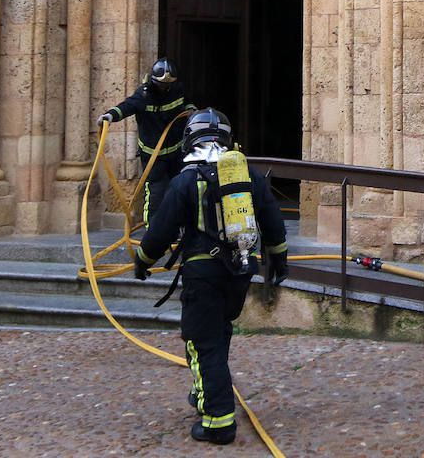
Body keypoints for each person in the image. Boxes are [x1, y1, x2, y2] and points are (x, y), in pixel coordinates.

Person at [134, 107, 289, 445]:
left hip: (203, 273)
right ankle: (204, 390)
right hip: (240, 271)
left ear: (190, 139)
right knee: (217, 334)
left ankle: (218, 421)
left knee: (203, 342)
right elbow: (274, 223)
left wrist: (142, 260)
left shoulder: (186, 180)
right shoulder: (247, 175)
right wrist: (279, 261)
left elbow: (160, 231)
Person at [99, 58, 194, 224]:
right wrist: (110, 116)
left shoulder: (177, 90)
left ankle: (178, 226)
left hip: (176, 151)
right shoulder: (143, 95)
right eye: (161, 85)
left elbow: (187, 102)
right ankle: (153, 230)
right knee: (156, 191)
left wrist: (190, 110)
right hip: (153, 156)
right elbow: (126, 107)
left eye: (168, 85)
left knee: (180, 188)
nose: (165, 88)